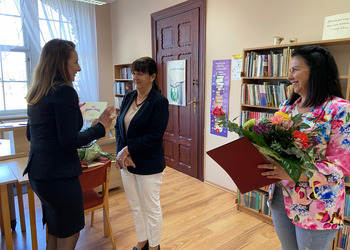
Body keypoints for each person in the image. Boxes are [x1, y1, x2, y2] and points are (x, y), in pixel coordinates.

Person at [24, 39, 116, 250]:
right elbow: (69, 142)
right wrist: (101, 127)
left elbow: (32, 135)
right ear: (61, 63)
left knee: (56, 230)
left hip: (39, 175)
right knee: (70, 233)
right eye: (75, 62)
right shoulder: (65, 92)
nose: (79, 67)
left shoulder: (37, 93)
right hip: (59, 177)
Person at [258, 45, 350, 250]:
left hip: (318, 205)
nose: (289, 76)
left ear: (316, 70)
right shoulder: (286, 107)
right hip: (281, 196)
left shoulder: (339, 109)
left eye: (295, 69)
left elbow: (341, 168)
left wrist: (293, 172)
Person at [115, 57, 169, 250]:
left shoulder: (159, 102)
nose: (135, 78)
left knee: (150, 208)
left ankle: (154, 246)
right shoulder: (129, 97)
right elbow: (118, 126)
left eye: (140, 73)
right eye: (134, 73)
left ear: (152, 76)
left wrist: (127, 149)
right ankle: (142, 240)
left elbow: (155, 136)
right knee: (135, 206)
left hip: (149, 164)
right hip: (127, 163)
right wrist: (122, 153)